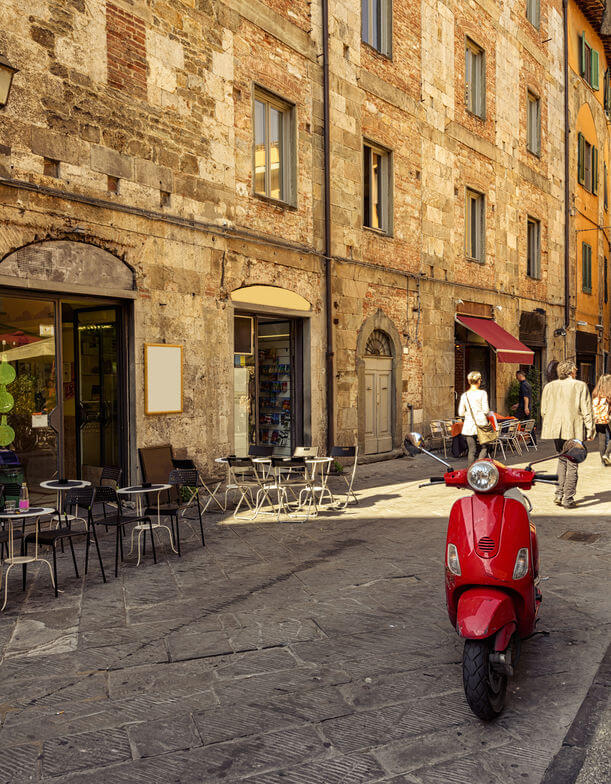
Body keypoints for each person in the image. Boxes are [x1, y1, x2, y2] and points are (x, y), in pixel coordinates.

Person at [540, 360, 595, 508]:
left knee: (562, 459)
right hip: (573, 428)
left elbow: (543, 411)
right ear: (571, 371)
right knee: (572, 463)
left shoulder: (549, 387)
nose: (576, 372)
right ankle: (568, 498)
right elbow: (586, 410)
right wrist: (590, 429)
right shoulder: (580, 386)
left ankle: (558, 493)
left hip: (555, 428)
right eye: (575, 370)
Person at [458, 371, 492, 464]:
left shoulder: (464, 395)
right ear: (479, 381)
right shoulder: (482, 393)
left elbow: (461, 413)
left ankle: (470, 470)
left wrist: (468, 413)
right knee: (485, 447)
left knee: (471, 450)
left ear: (469, 382)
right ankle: (478, 465)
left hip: (469, 426)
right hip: (481, 424)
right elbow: (486, 410)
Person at [592, 374, 611, 466]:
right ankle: (606, 454)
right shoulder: (609, 393)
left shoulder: (595, 393)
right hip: (608, 418)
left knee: (601, 439)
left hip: (598, 418)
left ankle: (603, 461)